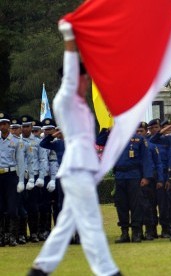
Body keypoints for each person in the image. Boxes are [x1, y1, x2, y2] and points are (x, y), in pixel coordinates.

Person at [28, 21, 121, 276]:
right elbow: (71, 73)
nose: (86, 81)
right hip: (77, 168)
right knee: (91, 223)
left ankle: (40, 269)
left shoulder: (80, 105)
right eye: (84, 77)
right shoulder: (65, 99)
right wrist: (70, 37)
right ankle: (108, 271)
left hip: (81, 168)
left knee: (66, 224)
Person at [0, 112, 26, 247]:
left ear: (9, 126)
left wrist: (21, 180)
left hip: (11, 176)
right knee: (0, 208)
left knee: (12, 208)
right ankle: (2, 236)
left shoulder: (16, 141)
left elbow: (21, 162)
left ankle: (12, 236)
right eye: (1, 124)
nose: (2, 126)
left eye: (5, 124)